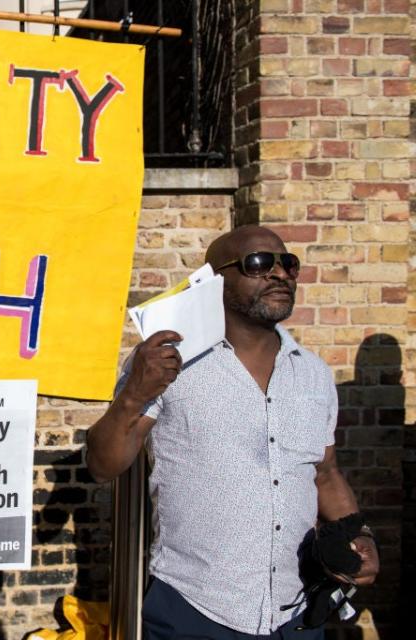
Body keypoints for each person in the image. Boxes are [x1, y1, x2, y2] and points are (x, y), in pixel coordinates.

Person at [86, 226, 379, 639]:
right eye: (259, 263)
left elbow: (325, 473)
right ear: (215, 280)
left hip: (295, 613)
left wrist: (359, 535)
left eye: (287, 264)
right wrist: (135, 394)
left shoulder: (313, 373)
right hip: (194, 609)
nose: (279, 273)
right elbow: (102, 465)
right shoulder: (167, 363)